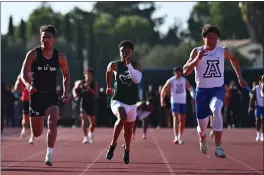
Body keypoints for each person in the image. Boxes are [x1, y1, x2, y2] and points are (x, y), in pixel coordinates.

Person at [183, 24, 248, 158]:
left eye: (214, 38)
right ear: (203, 38)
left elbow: (234, 59)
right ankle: (202, 138)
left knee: (216, 109)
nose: (212, 41)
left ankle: (218, 147)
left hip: (217, 90)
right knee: (202, 127)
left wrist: (240, 77)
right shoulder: (196, 51)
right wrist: (197, 59)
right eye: (209, 38)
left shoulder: (222, 51)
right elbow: (185, 71)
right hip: (202, 92)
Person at [20, 25, 71, 166]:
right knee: (36, 133)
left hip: (51, 97)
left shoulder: (60, 57)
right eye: (43, 37)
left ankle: (49, 153)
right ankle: (38, 125)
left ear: (54, 39)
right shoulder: (33, 54)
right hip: (36, 97)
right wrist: (28, 85)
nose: (45, 39)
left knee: (52, 122)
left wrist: (66, 93)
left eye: (48, 37)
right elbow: (23, 73)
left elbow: (66, 75)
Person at [105, 40, 142, 164]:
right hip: (118, 100)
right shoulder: (115, 65)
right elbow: (108, 71)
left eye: (128, 51)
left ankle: (127, 150)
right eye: (122, 51)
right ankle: (113, 145)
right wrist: (108, 86)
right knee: (122, 118)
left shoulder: (137, 65)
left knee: (128, 130)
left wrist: (129, 65)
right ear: (119, 52)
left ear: (132, 52)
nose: (125, 53)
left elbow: (136, 80)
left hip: (131, 103)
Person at [160, 66, 195, 144]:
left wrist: (193, 96)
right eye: (177, 72)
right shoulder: (171, 80)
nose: (178, 73)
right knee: (176, 117)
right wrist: (162, 100)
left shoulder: (184, 80)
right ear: (174, 72)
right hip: (174, 101)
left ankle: (180, 136)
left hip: (183, 101)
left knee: (182, 119)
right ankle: (176, 136)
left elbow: (190, 89)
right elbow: (163, 90)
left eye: (179, 71)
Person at [72, 68, 98, 144]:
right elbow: (74, 90)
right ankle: (85, 137)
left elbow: (96, 94)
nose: (88, 75)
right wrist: (75, 94)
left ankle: (90, 133)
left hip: (91, 104)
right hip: (83, 104)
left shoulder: (94, 83)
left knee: (93, 124)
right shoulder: (81, 83)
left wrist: (90, 90)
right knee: (83, 118)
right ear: (84, 75)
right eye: (86, 74)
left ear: (92, 75)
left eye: (89, 74)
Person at [14, 74, 35, 144]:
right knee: (25, 119)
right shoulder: (21, 76)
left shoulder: (34, 74)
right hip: (25, 100)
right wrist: (18, 84)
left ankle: (32, 136)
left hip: (33, 99)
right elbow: (15, 88)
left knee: (32, 118)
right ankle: (24, 128)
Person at [248, 75, 264, 141]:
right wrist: (250, 107)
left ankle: (262, 134)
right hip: (258, 106)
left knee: (263, 121)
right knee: (257, 120)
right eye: (262, 80)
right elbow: (252, 99)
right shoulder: (256, 88)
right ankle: (258, 133)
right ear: (260, 81)